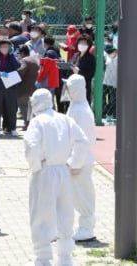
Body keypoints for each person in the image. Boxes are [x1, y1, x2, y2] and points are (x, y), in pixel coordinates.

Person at [24, 88, 89, 265]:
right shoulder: (65, 119)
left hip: (44, 172)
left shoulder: (37, 122)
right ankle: (65, 258)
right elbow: (82, 141)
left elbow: (31, 144)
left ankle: (43, 259)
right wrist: (74, 162)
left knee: (41, 215)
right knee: (65, 214)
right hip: (64, 171)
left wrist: (35, 165)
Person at [65, 74, 97, 242]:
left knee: (83, 195)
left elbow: (84, 141)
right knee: (73, 195)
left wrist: (76, 162)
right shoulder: (76, 106)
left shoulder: (81, 111)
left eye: (70, 88)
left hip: (81, 161)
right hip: (75, 159)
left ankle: (87, 227)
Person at [0, 39, 21, 137]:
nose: (4, 48)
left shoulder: (13, 56)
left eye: (7, 46)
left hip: (10, 86)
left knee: (11, 108)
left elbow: (17, 66)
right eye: (2, 47)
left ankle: (12, 128)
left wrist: (11, 56)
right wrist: (0, 73)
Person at [17, 45, 39, 130]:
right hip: (33, 87)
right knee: (31, 106)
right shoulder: (34, 60)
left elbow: (21, 71)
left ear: (22, 53)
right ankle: (32, 122)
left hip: (24, 87)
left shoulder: (24, 60)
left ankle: (28, 123)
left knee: (23, 105)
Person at [69, 34, 96, 104]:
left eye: (84, 43)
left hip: (84, 87)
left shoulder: (91, 58)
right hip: (73, 85)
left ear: (89, 45)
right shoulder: (76, 55)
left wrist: (79, 72)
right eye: (80, 43)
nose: (81, 45)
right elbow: (70, 64)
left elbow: (91, 74)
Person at [103, 44, 117, 118]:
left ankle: (114, 114)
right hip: (105, 81)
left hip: (114, 83)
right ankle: (103, 113)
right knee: (103, 99)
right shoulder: (107, 57)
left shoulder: (118, 59)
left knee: (113, 100)